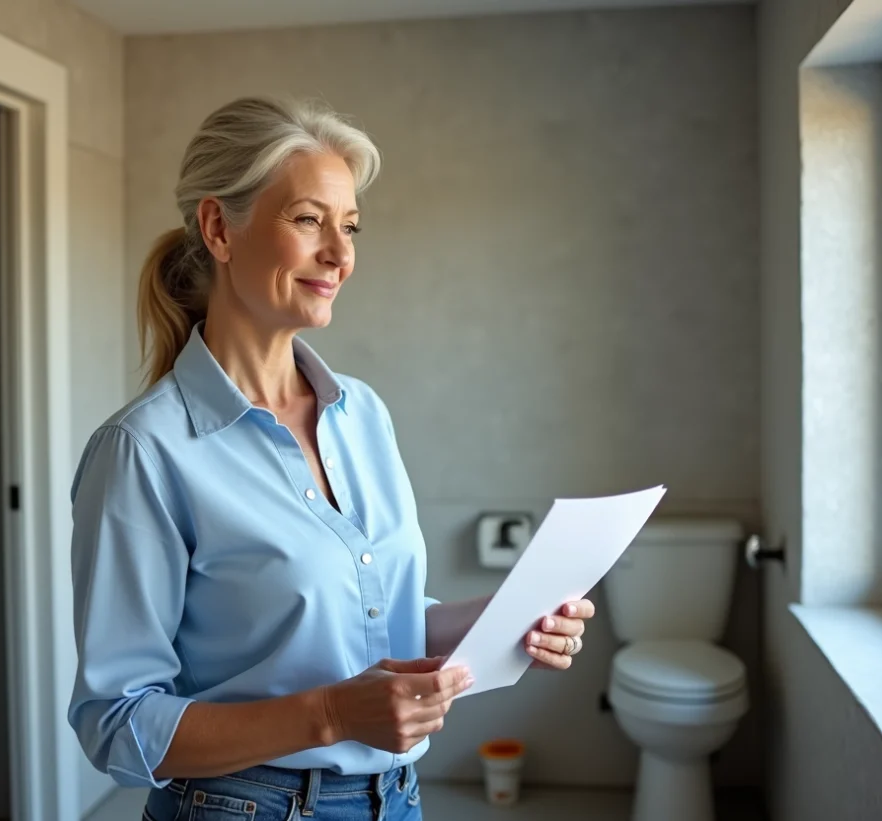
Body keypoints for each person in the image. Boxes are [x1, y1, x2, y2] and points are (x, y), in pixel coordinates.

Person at [67, 96, 596, 821]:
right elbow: (116, 723)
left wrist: (510, 622)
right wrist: (332, 716)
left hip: (397, 799)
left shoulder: (362, 414)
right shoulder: (144, 451)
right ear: (219, 228)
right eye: (309, 220)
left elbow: (376, 617)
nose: (341, 256)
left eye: (349, 227)